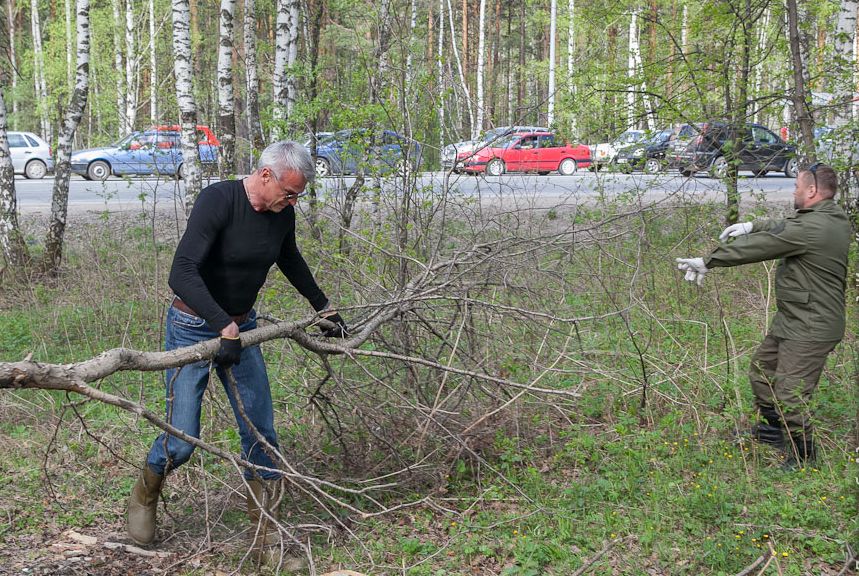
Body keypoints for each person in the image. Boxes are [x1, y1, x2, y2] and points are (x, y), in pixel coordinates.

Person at [127, 141, 348, 552]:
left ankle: (266, 541)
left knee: (261, 433)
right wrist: (220, 326)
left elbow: (290, 259)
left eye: (299, 194)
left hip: (241, 329)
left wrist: (322, 307)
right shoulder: (219, 201)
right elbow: (182, 272)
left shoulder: (283, 215)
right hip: (192, 327)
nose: (293, 200)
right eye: (289, 191)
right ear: (266, 175)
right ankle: (145, 491)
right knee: (182, 440)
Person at [676, 162, 850, 471]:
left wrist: (709, 261)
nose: (794, 191)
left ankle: (804, 457)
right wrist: (753, 225)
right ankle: (774, 432)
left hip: (812, 325)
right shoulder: (828, 217)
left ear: (812, 190)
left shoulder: (814, 227)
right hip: (796, 318)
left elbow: (766, 245)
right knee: (762, 372)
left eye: (797, 187)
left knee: (790, 393)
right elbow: (784, 227)